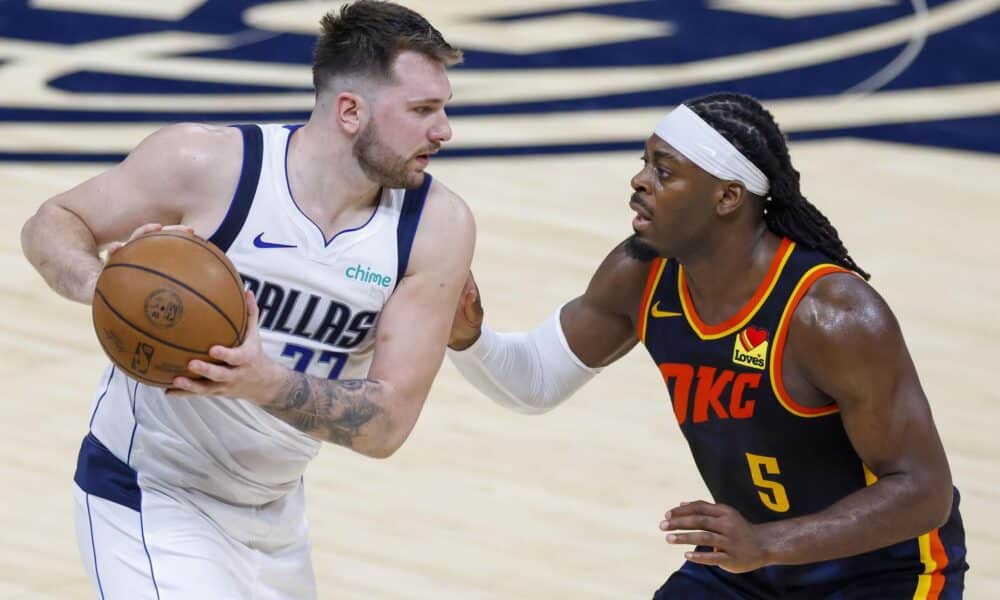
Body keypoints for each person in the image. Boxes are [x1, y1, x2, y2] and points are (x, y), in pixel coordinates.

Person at [20, 1, 474, 598]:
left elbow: (387, 425)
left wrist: (258, 381)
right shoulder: (209, 165)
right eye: (423, 111)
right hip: (149, 491)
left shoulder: (435, 226)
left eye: (443, 109)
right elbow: (54, 222)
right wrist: (102, 286)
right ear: (349, 110)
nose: (443, 130)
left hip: (274, 515)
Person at [448, 92, 967, 598]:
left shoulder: (831, 315)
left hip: (883, 571)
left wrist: (767, 542)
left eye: (664, 171)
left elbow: (924, 492)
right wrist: (468, 338)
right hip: (751, 558)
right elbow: (535, 380)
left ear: (727, 197)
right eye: (644, 163)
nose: (638, 180)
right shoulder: (641, 274)